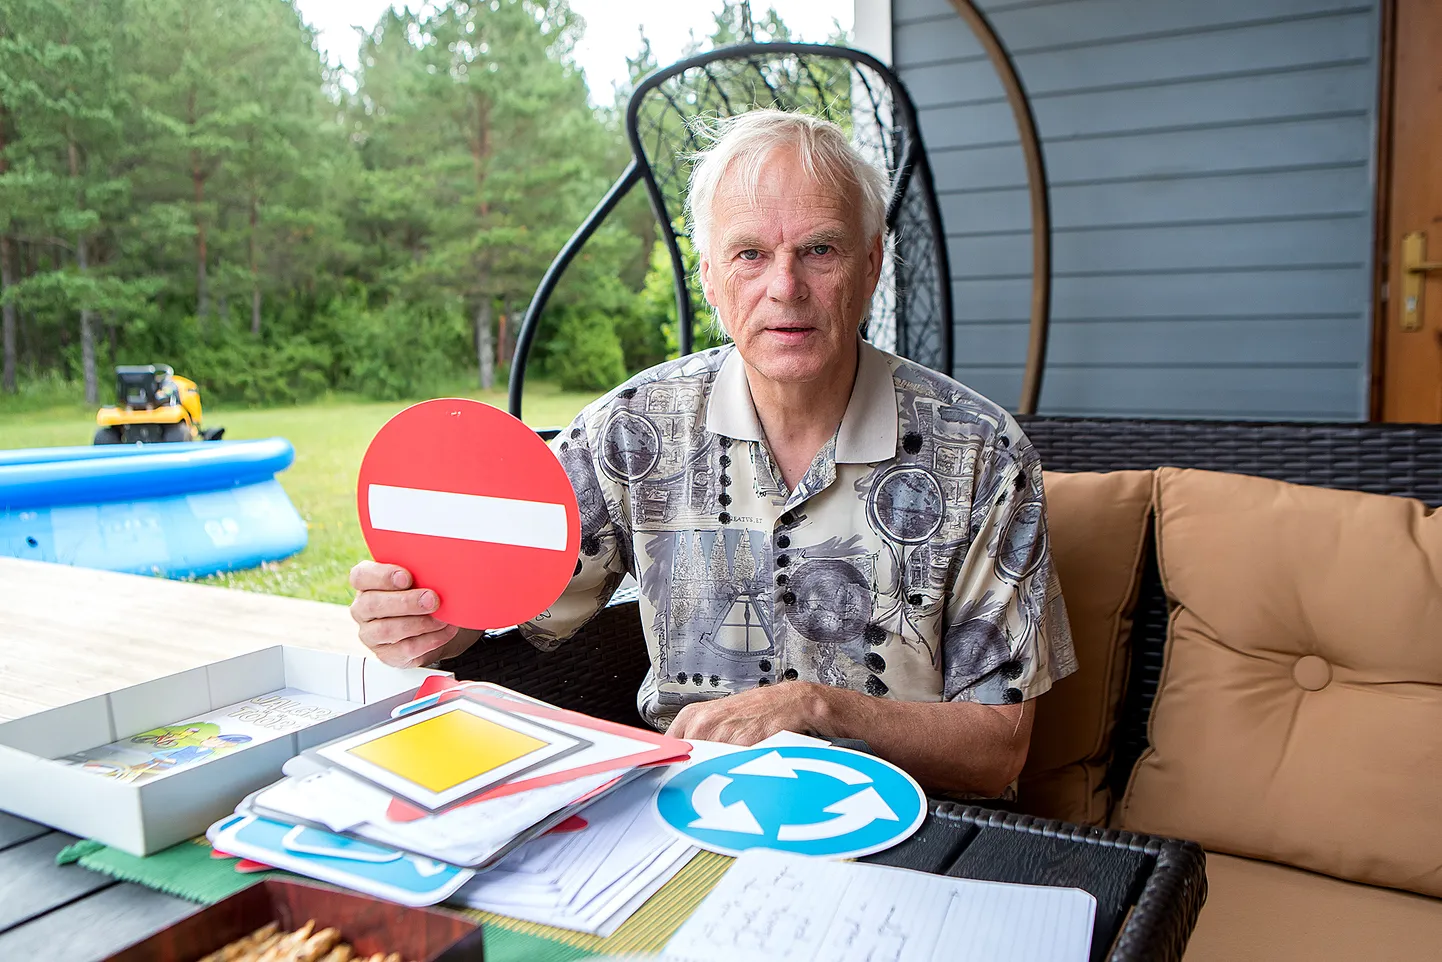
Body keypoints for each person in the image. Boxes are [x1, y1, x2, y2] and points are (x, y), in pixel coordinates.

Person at [350, 109, 1076, 798]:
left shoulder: (981, 456)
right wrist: (431, 618)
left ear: (871, 264)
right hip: (684, 811)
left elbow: (997, 748)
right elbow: (512, 603)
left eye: (818, 249)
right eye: (750, 254)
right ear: (709, 277)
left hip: (918, 833)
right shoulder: (633, 430)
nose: (784, 287)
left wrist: (815, 711)